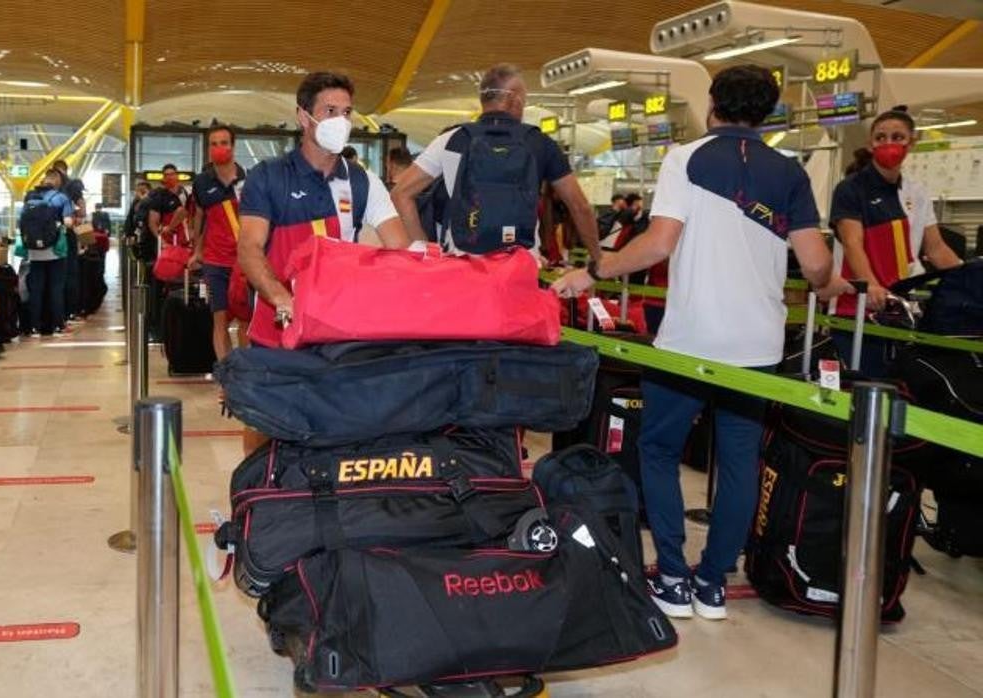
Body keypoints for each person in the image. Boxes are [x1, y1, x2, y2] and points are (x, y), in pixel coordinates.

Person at [553, 65, 855, 621]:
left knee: (661, 451)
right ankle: (713, 585)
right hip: (757, 344)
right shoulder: (789, 170)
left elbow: (657, 245)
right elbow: (816, 265)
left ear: (713, 104)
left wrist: (600, 268)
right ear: (768, 113)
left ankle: (672, 576)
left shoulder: (684, 158)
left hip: (689, 339)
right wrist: (836, 285)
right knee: (740, 460)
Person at [238, 71, 411, 452]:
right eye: (330, 110)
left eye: (347, 112)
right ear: (303, 117)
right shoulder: (267, 178)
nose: (341, 122)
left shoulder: (363, 181)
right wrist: (283, 299)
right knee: (265, 426)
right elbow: (249, 248)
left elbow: (400, 250)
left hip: (335, 332)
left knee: (329, 433)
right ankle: (255, 503)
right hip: (276, 327)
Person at [391, 63, 601, 260]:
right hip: (519, 264)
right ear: (516, 100)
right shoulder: (539, 143)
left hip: (463, 260)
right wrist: (597, 260)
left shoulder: (452, 139)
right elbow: (579, 206)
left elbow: (401, 194)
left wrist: (423, 247)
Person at [829, 106, 963, 377]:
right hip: (854, 310)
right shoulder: (851, 189)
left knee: (900, 387)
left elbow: (936, 249)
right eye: (881, 137)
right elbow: (852, 243)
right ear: (870, 143)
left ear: (911, 142)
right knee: (860, 387)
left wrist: (968, 277)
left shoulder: (917, 192)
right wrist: (871, 286)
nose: (889, 143)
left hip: (902, 310)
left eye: (898, 137)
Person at [189, 125, 247, 363]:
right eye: (213, 144)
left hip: (245, 262)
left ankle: (245, 372)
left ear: (233, 146)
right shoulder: (202, 182)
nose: (219, 148)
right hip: (216, 261)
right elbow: (201, 219)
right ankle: (226, 373)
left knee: (246, 319)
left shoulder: (250, 179)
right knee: (220, 319)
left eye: (224, 143)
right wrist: (197, 252)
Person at [20, 169, 75, 338]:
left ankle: (34, 326)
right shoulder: (61, 198)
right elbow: (68, 223)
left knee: (36, 288)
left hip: (34, 252)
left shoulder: (30, 197)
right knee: (56, 288)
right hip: (55, 250)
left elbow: (21, 220)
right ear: (57, 181)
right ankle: (58, 324)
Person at [50, 159, 85, 323]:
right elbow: (82, 210)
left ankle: (52, 313)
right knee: (70, 273)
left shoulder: (42, 188)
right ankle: (70, 311)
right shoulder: (73, 186)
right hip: (67, 235)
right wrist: (77, 218)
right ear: (65, 169)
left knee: (52, 275)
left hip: (48, 236)